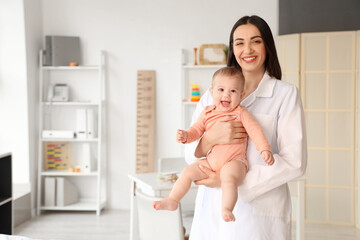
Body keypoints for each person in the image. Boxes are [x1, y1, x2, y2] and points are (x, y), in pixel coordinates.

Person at [185, 15, 307, 239]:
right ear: (233, 49)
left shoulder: (285, 94)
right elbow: (189, 151)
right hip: (212, 209)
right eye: (239, 42)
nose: (247, 49)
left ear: (267, 46)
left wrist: (228, 179)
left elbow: (295, 162)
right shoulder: (211, 95)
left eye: (256, 41)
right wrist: (210, 139)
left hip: (259, 214)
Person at [153, 67, 274, 222]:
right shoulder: (207, 113)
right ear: (211, 92)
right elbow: (196, 131)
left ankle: (226, 208)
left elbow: (254, 130)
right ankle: (173, 200)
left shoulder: (240, 113)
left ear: (242, 95)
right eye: (221, 89)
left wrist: (264, 149)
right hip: (210, 162)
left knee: (228, 178)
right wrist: (186, 135)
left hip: (234, 161)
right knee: (188, 171)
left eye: (233, 91)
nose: (226, 95)